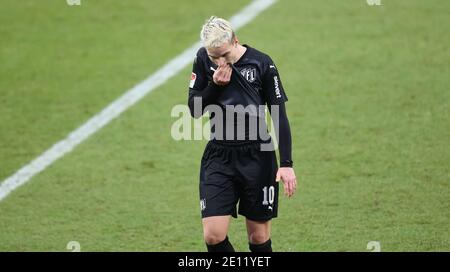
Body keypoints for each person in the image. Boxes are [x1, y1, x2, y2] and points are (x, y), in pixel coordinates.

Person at [188, 16, 297, 252]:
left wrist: (286, 163)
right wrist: (214, 85)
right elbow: (194, 109)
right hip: (219, 156)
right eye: (213, 57)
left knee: (258, 238)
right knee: (213, 236)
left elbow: (278, 114)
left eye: (224, 55)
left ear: (235, 41)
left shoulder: (262, 63)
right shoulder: (202, 59)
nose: (219, 62)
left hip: (258, 157)